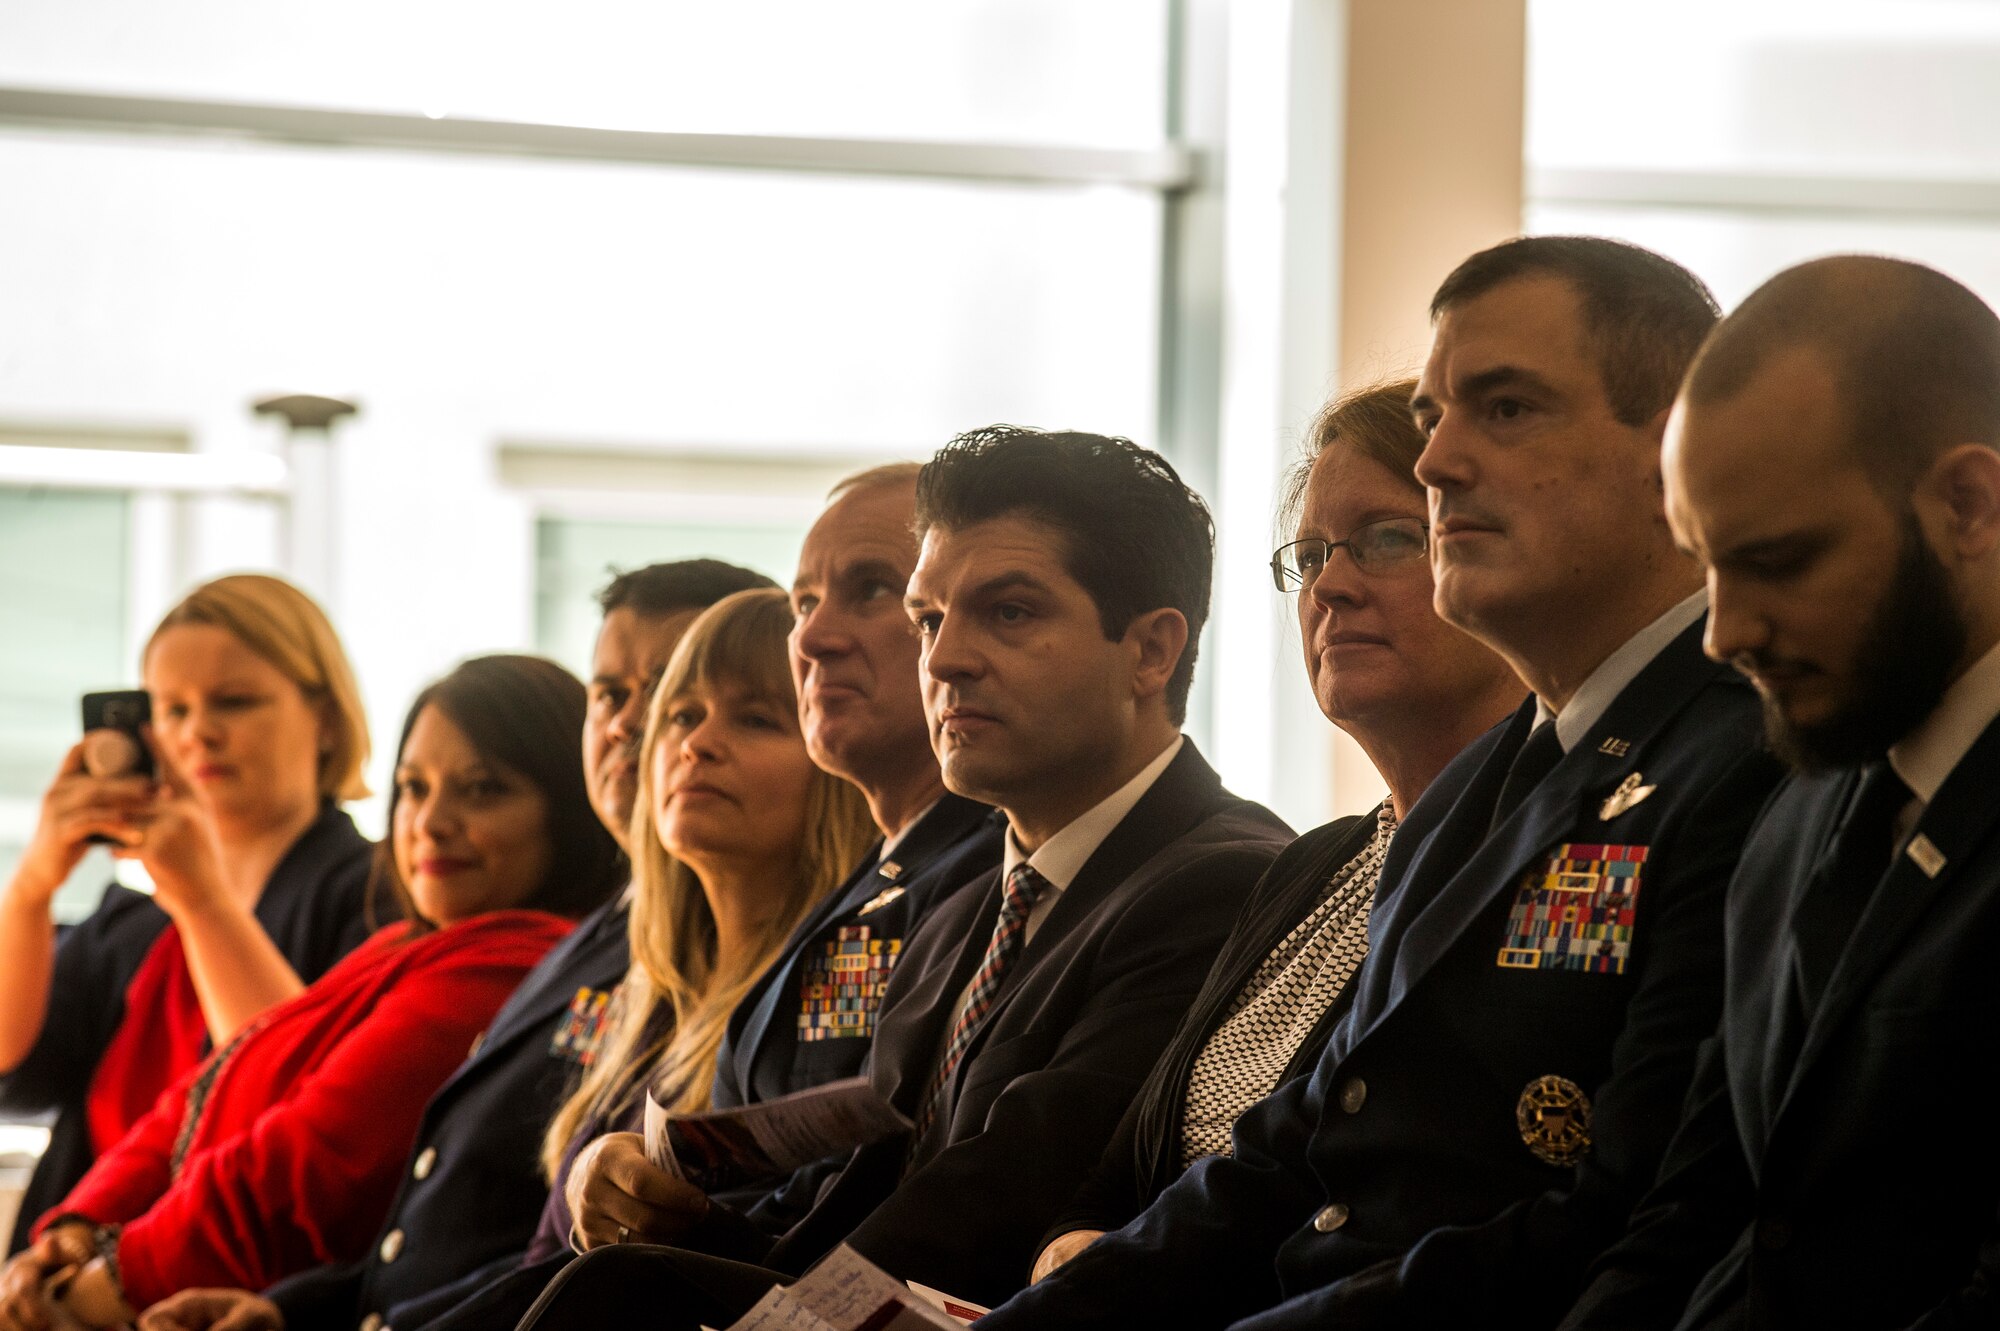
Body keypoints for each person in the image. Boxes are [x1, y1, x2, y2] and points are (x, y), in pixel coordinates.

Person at [977, 235, 1786, 1331]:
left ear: (1669, 448)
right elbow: (1295, 1142)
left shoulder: (1745, 757)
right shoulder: (1485, 785)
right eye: (1433, 421)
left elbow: (1627, 1216)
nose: (1444, 458)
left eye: (1502, 409)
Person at [513, 426, 1294, 1329]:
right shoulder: (965, 910)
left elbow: (999, 1205)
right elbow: (852, 1205)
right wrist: (659, 1214)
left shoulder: (1224, 879)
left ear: (1152, 650)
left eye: (1008, 612)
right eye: (930, 618)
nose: (944, 658)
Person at [381, 473, 1004, 1331]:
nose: (679, 741)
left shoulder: (953, 885)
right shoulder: (852, 898)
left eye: (752, 719)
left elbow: (846, 1216)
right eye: (673, 712)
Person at [1556, 258, 2000, 1329]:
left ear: (1967, 503)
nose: (1722, 632)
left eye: (1778, 561)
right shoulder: (1800, 812)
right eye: (1704, 563)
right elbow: (1703, 1211)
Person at [160, 560, 772, 1331]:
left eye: (677, 695)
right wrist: (291, 1313)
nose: (628, 724)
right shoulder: (599, 934)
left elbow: (311, 1164)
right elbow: (474, 1238)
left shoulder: (718, 937)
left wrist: (116, 1271)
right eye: (611, 693)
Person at [1031, 378, 1525, 1281]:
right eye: (1309, 554)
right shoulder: (1317, 861)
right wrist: (1076, 1246)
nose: (1330, 584)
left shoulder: (1524, 850)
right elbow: (1124, 1160)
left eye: (1386, 539)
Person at [0, 654, 623, 1328]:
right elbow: (210, 1086)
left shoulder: (498, 952)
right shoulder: (404, 939)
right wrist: (74, 1232)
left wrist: (89, 1293)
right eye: (413, 787)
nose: (431, 820)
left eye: (483, 789)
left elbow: (299, 1167)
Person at [0, 574, 377, 1255]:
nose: (198, 731)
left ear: (324, 717)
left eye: (234, 702)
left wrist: (202, 898)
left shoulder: (378, 896)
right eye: (170, 711)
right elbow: (11, 1066)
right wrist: (30, 890)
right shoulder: (133, 922)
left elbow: (308, 1107)